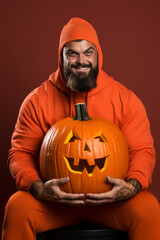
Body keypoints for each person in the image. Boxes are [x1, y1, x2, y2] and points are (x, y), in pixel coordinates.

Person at [2, 17, 160, 240]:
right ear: (61, 57)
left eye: (88, 52)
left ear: (98, 56)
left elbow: (142, 150)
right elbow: (20, 153)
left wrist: (131, 187)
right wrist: (39, 188)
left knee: (148, 208)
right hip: (55, 203)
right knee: (17, 207)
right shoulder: (37, 100)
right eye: (72, 53)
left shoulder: (125, 99)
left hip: (111, 202)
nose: (81, 60)